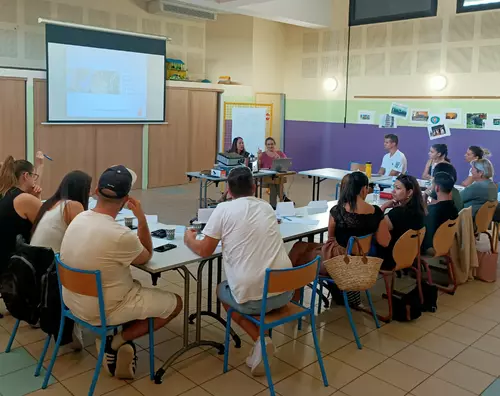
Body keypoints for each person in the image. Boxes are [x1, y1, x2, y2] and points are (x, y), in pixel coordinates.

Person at [60, 165, 182, 380]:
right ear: (127, 200)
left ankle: (117, 339)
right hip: (102, 310)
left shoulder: (79, 218)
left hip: (72, 302)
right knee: (176, 303)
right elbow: (146, 256)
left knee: (126, 281)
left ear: (96, 190)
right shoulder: (120, 235)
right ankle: (116, 342)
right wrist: (141, 219)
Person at [184, 167, 292, 377]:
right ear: (254, 187)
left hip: (255, 300)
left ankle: (261, 339)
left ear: (228, 191)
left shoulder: (223, 209)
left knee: (221, 290)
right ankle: (261, 344)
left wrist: (189, 238)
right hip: (285, 292)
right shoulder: (266, 207)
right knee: (255, 278)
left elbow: (205, 250)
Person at [31, 171, 92, 253]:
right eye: (88, 189)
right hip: (48, 262)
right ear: (81, 190)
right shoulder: (73, 206)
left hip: (36, 259)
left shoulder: (51, 203)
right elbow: (83, 239)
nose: (90, 193)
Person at [0, 156, 42, 273]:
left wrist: (35, 197)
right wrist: (37, 198)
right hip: (13, 266)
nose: (35, 180)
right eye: (34, 176)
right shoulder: (24, 199)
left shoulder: (9, 193)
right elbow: (45, 226)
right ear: (26, 176)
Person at [378, 175, 426, 270]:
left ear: (409, 192)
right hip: (409, 256)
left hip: (390, 259)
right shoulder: (421, 211)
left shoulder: (397, 214)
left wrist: (383, 208)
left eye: (398, 188)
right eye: (393, 187)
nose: (393, 191)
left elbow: (376, 228)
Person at [422, 172, 459, 252]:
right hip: (445, 244)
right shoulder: (453, 207)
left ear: (437, 188)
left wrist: (424, 198)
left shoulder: (433, 211)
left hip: (431, 247)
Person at [258, 137, 290, 207]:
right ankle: (283, 198)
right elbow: (258, 167)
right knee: (273, 181)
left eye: (272, 144)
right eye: (268, 144)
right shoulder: (262, 155)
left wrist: (279, 158)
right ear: (266, 145)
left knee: (275, 182)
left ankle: (273, 205)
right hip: (265, 178)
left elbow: (287, 163)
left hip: (277, 177)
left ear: (274, 144)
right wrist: (258, 157)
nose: (270, 146)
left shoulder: (279, 153)